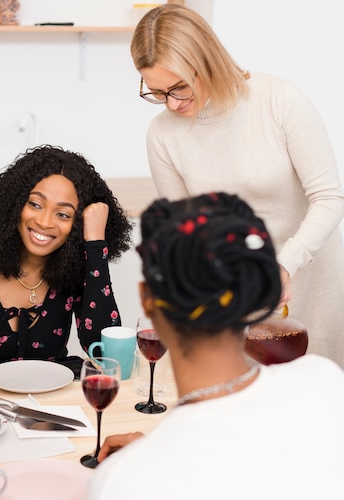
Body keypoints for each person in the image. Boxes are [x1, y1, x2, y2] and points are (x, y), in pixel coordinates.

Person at [89, 192, 344, 499]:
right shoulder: (324, 379)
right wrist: (153, 450)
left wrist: (146, 460)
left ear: (147, 299)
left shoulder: (123, 481)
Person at [130, 3, 344, 365]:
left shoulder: (278, 100)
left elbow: (329, 197)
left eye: (179, 87)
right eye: (157, 92)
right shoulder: (162, 134)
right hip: (235, 293)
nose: (171, 103)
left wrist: (285, 265)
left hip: (310, 277)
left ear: (208, 59)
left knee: (315, 405)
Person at [0, 145, 132, 371]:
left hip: (53, 402)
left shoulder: (74, 269)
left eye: (63, 214)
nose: (45, 222)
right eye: (35, 204)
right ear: (14, 204)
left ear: (76, 226)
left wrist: (96, 245)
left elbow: (106, 355)